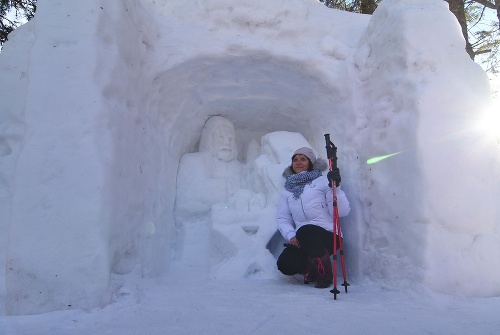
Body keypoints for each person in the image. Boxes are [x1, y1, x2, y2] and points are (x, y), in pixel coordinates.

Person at [276, 147, 350, 288]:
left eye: (303, 159)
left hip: (329, 236)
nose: (298, 162)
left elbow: (341, 212)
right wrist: (291, 235)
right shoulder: (288, 189)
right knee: (284, 264)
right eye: (295, 159)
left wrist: (336, 187)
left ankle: (325, 274)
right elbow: (283, 218)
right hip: (303, 238)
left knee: (306, 230)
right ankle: (311, 269)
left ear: (311, 162)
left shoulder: (323, 181)